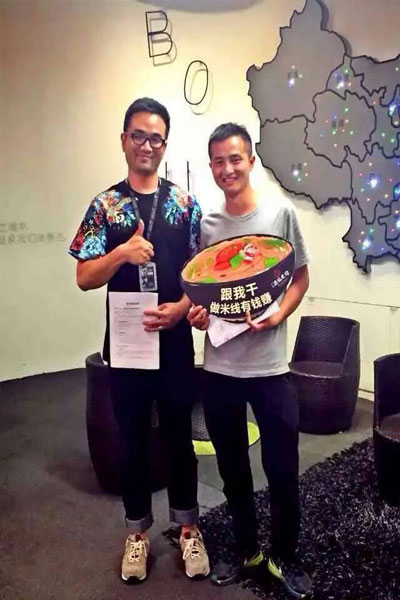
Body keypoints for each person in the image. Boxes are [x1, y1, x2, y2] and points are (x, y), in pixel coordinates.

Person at [69, 98, 209, 583]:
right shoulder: (105, 205)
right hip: (127, 344)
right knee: (130, 440)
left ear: (164, 145)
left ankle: (188, 529)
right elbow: (84, 277)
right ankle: (136, 534)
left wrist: (182, 309)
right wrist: (121, 254)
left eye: (156, 138)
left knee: (179, 438)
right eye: (138, 135)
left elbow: (200, 274)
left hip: (173, 341)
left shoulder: (185, 204)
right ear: (124, 140)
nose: (146, 145)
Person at [188, 123, 312, 598]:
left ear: (251, 160)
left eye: (235, 159)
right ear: (211, 166)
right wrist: (199, 315)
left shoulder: (280, 213)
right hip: (220, 368)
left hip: (270, 368)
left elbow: (300, 278)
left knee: (282, 467)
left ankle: (284, 554)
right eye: (218, 161)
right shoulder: (208, 226)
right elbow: (203, 292)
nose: (227, 169)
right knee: (233, 469)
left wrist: (279, 313)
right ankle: (247, 551)